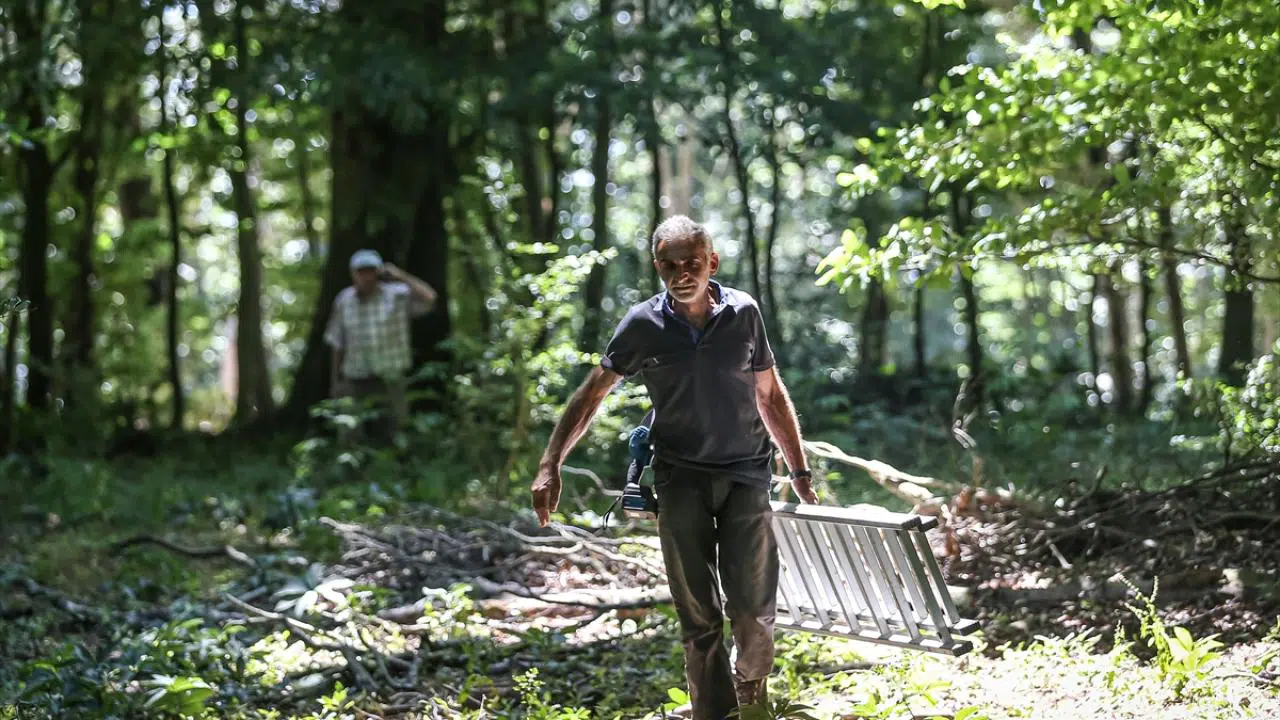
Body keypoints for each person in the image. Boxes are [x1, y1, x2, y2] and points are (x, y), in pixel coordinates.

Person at [531, 215, 817, 719]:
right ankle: (717, 713)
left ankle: (750, 686)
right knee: (698, 614)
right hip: (679, 478)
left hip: (748, 473)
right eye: (670, 265)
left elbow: (770, 395)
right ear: (657, 266)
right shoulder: (644, 325)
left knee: (752, 610)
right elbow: (592, 394)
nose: (682, 274)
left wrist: (799, 471)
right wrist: (551, 462)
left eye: (692, 263)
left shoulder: (744, 313)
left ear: (712, 263)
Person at [323, 249, 437, 440]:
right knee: (351, 433)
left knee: (396, 430)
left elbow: (430, 298)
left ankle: (395, 467)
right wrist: (336, 381)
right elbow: (337, 342)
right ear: (353, 274)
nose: (365, 277)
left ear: (378, 273)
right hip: (355, 377)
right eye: (361, 272)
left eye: (370, 271)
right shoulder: (344, 301)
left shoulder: (396, 296)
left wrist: (400, 275)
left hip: (390, 376)